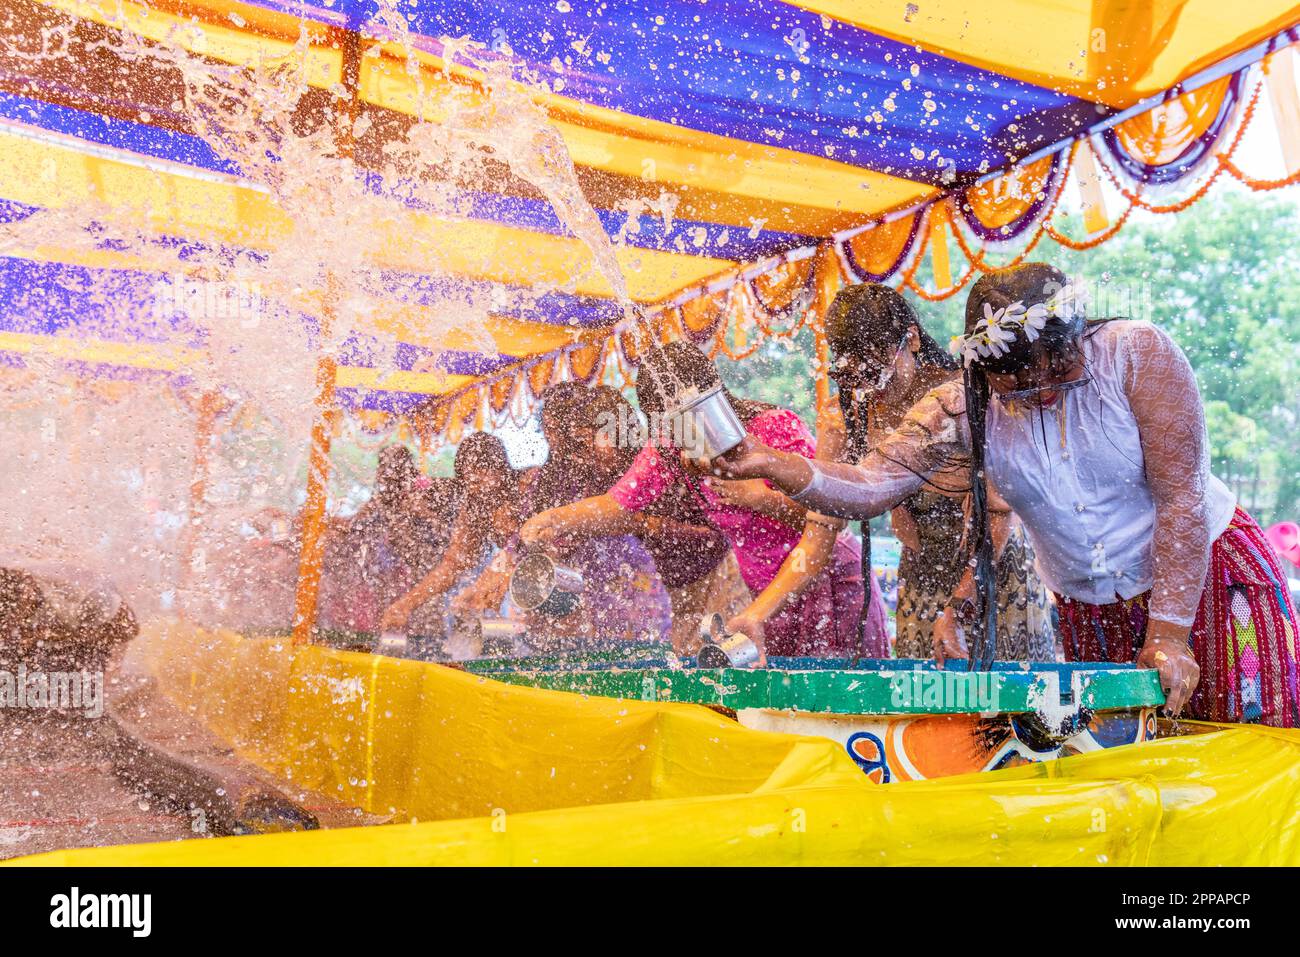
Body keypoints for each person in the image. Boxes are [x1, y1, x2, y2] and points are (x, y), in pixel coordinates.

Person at [706, 263, 1300, 726]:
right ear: (985, 368)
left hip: (1205, 576)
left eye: (1058, 365)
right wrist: (771, 463)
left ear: (1077, 334)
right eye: (1019, 378)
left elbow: (1181, 500)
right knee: (1138, 758)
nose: (1041, 390)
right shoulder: (960, 406)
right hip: (1093, 605)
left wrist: (1169, 633)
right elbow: (870, 486)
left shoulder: (1135, 354)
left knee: (1247, 734)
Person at [528, 340, 878, 662]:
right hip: (766, 596)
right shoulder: (670, 447)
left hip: (825, 580)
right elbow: (620, 502)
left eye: (683, 418)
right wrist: (555, 519)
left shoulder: (774, 428)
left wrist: (759, 497)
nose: (680, 435)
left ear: (711, 397)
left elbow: (831, 514)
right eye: (667, 423)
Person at [819, 282, 1054, 662]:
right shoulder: (847, 412)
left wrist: (961, 601)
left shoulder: (965, 396)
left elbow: (999, 510)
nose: (871, 387)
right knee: (925, 706)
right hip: (922, 569)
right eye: (856, 375)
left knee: (1010, 707)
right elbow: (822, 521)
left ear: (911, 339)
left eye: (880, 370)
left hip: (992, 568)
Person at [520, 383, 749, 654]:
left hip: (714, 575)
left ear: (619, 430)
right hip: (671, 588)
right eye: (581, 442)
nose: (590, 450)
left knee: (721, 664)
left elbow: (715, 536)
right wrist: (558, 537)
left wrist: (647, 524)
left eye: (594, 438)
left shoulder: (659, 463)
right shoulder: (600, 476)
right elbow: (592, 525)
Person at [378, 433, 519, 632]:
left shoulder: (526, 490)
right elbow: (452, 566)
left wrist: (487, 582)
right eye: (471, 480)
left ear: (502, 470)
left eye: (484, 473)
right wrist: (406, 605)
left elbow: (526, 548)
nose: (478, 486)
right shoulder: (474, 509)